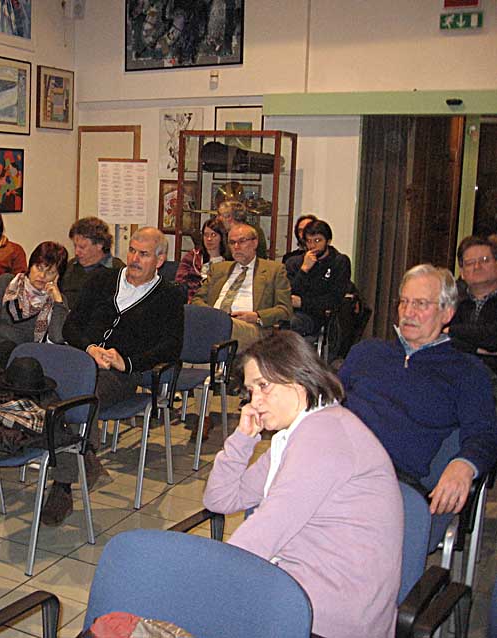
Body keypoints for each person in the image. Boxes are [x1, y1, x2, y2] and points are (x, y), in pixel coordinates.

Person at [204, 331, 403, 638]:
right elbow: (220, 499)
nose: (254, 402)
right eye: (250, 391)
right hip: (298, 589)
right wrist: (243, 438)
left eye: (263, 386)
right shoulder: (297, 433)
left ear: (298, 377)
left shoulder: (325, 435)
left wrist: (202, 585)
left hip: (330, 617)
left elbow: (265, 532)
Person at [44, 227, 184, 526]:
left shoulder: (169, 296)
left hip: (119, 376)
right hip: (81, 361)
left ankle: (62, 486)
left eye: (143, 254)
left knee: (78, 399)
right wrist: (90, 347)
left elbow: (171, 347)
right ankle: (87, 457)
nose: (134, 259)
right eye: (132, 250)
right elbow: (71, 326)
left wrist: (127, 362)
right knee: (43, 390)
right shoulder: (102, 280)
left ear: (160, 260)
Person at [339, 264, 497, 515]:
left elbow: (484, 433)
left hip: (390, 480)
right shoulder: (366, 352)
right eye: (404, 302)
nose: (408, 312)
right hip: (335, 459)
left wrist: (465, 464)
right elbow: (327, 402)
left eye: (421, 304)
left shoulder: (466, 372)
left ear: (447, 313)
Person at [0, 241, 70, 370]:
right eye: (39, 268)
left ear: (58, 276)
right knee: (5, 349)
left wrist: (58, 301)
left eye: (50, 272)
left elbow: (57, 338)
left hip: (18, 360)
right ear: (31, 265)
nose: (42, 276)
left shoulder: (58, 302)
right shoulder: (7, 282)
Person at [191, 223, 292, 351]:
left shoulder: (274, 270)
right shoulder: (218, 269)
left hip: (250, 327)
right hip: (215, 320)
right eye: (232, 243)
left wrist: (257, 316)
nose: (236, 247)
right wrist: (212, 315)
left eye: (242, 241)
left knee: (225, 326)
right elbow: (197, 299)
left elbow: (285, 310)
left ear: (255, 243)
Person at [286, 219, 351, 336]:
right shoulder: (294, 262)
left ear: (328, 241)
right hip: (291, 311)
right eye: (309, 241)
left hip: (318, 316)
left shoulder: (339, 262)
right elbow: (289, 293)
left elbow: (335, 299)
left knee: (291, 323)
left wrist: (303, 302)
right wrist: (304, 270)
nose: (312, 246)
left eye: (317, 240)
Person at [446, 236, 497, 383]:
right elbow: (437, 339)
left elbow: (493, 338)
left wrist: (452, 330)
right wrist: (476, 349)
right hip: (453, 375)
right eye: (470, 263)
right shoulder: (451, 300)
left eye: (485, 260)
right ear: (462, 271)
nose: (477, 267)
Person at [60, 217, 124, 310]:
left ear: (99, 245)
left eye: (82, 247)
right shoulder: (71, 266)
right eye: (75, 246)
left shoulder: (118, 270)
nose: (76, 252)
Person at [175, 217, 226, 302]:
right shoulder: (193, 256)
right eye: (206, 235)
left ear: (221, 237)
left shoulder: (228, 261)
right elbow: (179, 281)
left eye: (213, 235)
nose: (209, 239)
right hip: (191, 300)